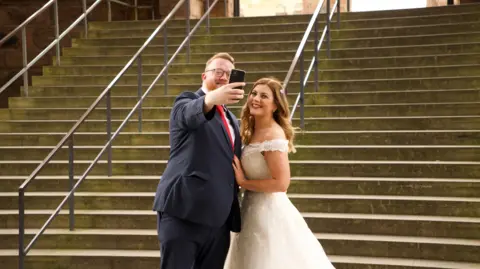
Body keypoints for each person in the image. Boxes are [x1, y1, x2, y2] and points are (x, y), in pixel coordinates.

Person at [224, 77, 336, 269]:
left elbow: (281, 183)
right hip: (250, 209)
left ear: (275, 105)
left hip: (267, 213)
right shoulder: (251, 130)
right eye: (254, 93)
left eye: (264, 96)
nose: (256, 99)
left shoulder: (273, 135)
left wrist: (243, 181)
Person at [153, 52, 246, 269]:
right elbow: (187, 115)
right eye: (218, 72)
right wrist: (212, 98)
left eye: (229, 74)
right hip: (183, 212)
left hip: (219, 221)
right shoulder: (187, 102)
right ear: (204, 76)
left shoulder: (232, 119)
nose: (224, 77)